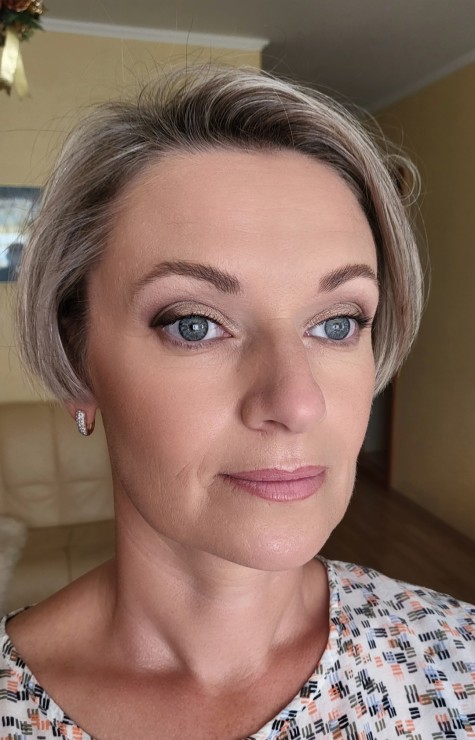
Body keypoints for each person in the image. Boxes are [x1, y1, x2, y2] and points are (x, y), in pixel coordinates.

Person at [1, 65, 473, 740]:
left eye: (337, 323)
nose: (296, 402)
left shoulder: (455, 662)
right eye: (194, 324)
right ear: (77, 361)